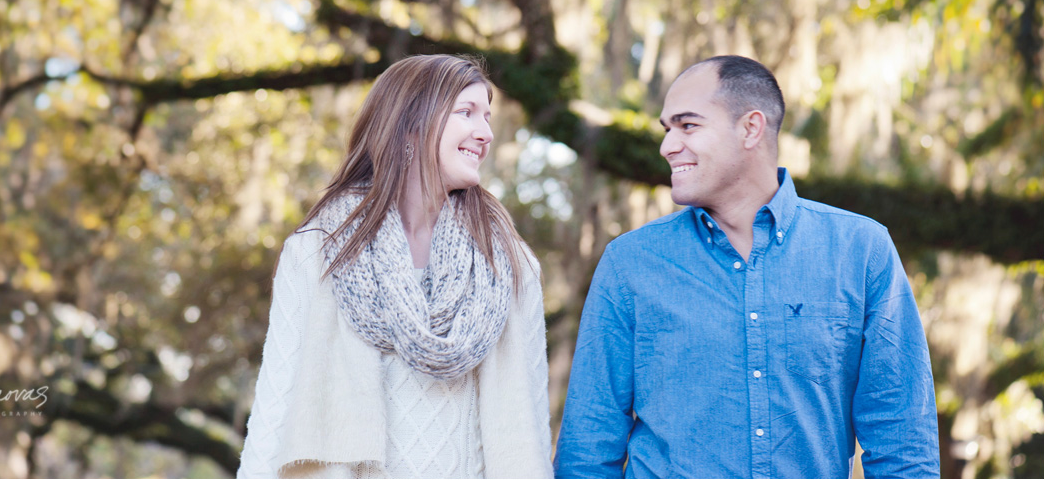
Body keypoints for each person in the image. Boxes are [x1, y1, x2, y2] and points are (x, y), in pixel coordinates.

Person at [554, 55, 939, 479]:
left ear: (750, 128)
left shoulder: (861, 250)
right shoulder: (631, 263)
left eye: (688, 125)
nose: (666, 146)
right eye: (667, 129)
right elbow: (588, 449)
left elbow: (903, 444)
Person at [238, 54, 553, 479]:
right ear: (410, 125)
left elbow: (531, 422)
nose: (486, 133)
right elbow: (273, 412)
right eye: (466, 113)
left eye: (488, 117)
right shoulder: (317, 253)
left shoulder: (509, 266)